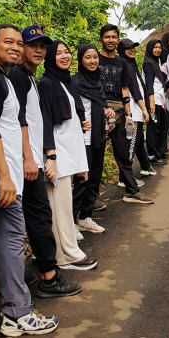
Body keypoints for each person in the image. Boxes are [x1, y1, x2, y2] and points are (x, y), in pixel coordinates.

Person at [0, 24, 59, 337]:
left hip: (1, 181)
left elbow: (11, 126)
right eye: (9, 42)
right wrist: (5, 177)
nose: (17, 48)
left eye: (19, 43)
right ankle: (17, 313)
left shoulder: (1, 78)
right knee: (11, 244)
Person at [8, 25, 82, 297]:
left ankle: (46, 274)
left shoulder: (28, 77)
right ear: (21, 48)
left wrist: (47, 154)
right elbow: (19, 120)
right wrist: (30, 158)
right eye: (33, 45)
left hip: (35, 159)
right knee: (39, 217)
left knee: (38, 217)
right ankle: (48, 278)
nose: (39, 50)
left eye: (43, 46)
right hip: (26, 163)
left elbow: (39, 122)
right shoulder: (17, 76)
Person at [37, 40, 98, 271]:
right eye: (58, 53)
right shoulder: (46, 83)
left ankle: (62, 255)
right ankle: (68, 256)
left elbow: (70, 120)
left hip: (69, 154)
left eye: (67, 52)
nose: (64, 56)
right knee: (59, 209)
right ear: (50, 57)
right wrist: (50, 157)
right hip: (57, 156)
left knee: (62, 206)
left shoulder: (66, 82)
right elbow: (43, 122)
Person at [98, 24, 153, 204]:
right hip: (98, 112)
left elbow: (124, 89)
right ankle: (89, 202)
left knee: (123, 152)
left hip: (120, 112)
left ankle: (131, 191)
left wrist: (129, 114)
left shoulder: (121, 63)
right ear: (101, 40)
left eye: (114, 37)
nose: (111, 40)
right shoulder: (94, 59)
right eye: (107, 37)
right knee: (95, 155)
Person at [72, 44, 115, 233]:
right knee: (81, 181)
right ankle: (71, 222)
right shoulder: (73, 82)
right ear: (81, 60)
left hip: (98, 136)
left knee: (94, 179)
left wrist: (108, 110)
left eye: (95, 57)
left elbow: (102, 104)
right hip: (81, 139)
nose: (92, 61)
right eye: (88, 57)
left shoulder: (98, 83)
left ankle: (85, 217)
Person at [118, 38, 154, 177]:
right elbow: (134, 91)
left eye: (133, 47)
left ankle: (144, 167)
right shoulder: (125, 66)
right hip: (132, 110)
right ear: (122, 50)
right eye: (128, 48)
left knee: (137, 141)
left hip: (136, 110)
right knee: (131, 145)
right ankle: (125, 178)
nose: (132, 50)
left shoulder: (131, 65)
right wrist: (144, 109)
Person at [142, 39, 169, 164]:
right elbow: (149, 84)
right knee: (153, 128)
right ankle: (152, 155)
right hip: (153, 99)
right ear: (150, 48)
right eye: (155, 47)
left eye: (159, 47)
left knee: (163, 124)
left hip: (160, 98)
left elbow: (159, 83)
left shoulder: (157, 61)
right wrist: (151, 101)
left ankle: (159, 151)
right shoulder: (148, 63)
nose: (158, 50)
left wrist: (164, 98)